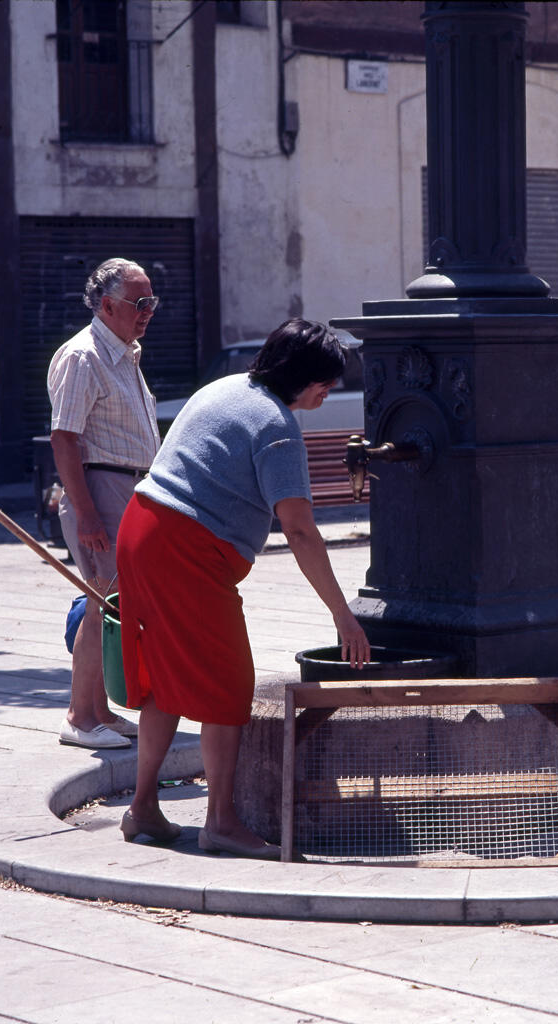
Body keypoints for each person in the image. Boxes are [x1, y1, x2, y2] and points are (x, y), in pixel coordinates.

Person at [116, 318, 371, 859]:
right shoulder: (277, 426)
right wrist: (343, 615)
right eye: (325, 382)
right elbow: (299, 530)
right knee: (229, 685)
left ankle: (142, 807)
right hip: (187, 550)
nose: (331, 391)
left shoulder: (225, 388)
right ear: (301, 376)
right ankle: (222, 822)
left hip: (141, 528)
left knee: (166, 675)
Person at [47, 258, 162, 750]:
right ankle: (80, 716)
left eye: (151, 302)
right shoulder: (83, 356)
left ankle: (100, 711)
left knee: (115, 604)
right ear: (109, 305)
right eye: (140, 302)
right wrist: (88, 513)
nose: (148, 312)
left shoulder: (124, 354)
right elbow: (64, 438)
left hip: (131, 490)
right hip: (102, 491)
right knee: (101, 602)